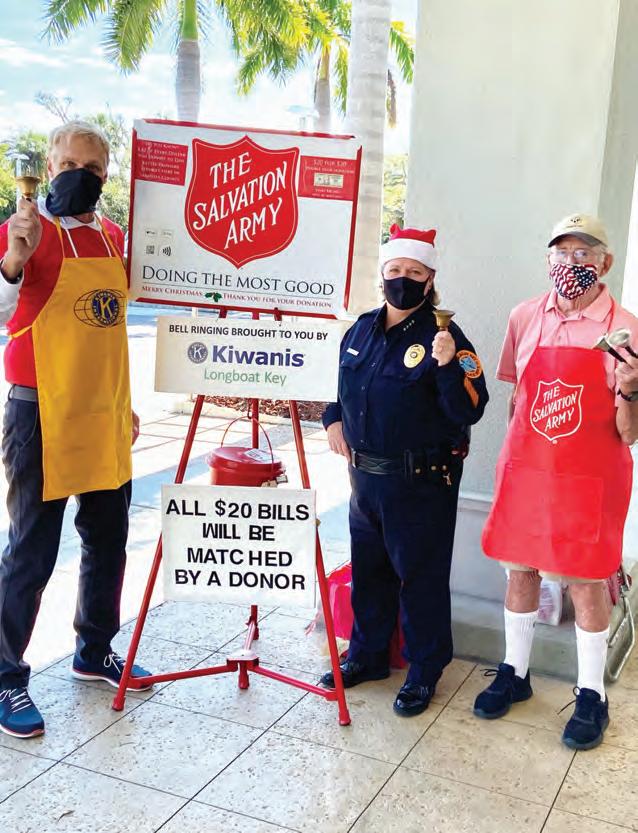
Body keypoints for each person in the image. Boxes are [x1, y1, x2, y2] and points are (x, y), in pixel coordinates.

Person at [0, 121, 151, 739]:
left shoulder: (114, 237)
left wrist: (124, 405)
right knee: (31, 549)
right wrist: (14, 259)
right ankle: (5, 675)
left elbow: (109, 329)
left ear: (106, 175)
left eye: (91, 168)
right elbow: (4, 313)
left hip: (103, 410)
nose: (79, 176)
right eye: (69, 165)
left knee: (108, 539)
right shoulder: (24, 231)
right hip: (40, 410)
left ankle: (94, 649)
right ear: (48, 166)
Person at [476, 213, 638, 750]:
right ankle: (515, 672)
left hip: (591, 477)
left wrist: (631, 388)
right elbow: (517, 398)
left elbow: (630, 433)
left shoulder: (626, 327)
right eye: (562, 252)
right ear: (548, 259)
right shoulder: (525, 316)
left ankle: (592, 695)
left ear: (604, 263)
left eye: (583, 253)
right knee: (520, 571)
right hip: (528, 470)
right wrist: (516, 460)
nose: (572, 263)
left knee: (586, 581)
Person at [320, 224, 489, 716]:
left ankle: (424, 669)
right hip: (364, 479)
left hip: (421, 482)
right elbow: (340, 389)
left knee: (421, 579)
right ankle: (368, 655)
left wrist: (447, 366)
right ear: (382, 275)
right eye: (395, 270)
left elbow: (470, 409)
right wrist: (333, 419)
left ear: (430, 278)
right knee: (370, 571)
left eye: (414, 272)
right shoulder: (360, 329)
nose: (402, 279)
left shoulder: (446, 336)